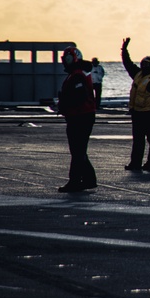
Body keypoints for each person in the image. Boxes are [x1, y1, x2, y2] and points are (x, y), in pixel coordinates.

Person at [57, 46, 98, 192]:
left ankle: (75, 181)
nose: (64, 62)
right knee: (79, 150)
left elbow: (78, 96)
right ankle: (89, 179)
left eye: (67, 58)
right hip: (80, 115)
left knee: (77, 150)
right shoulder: (77, 74)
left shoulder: (77, 75)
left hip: (80, 116)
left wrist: (65, 103)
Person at [120, 38, 150, 172]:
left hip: (149, 113)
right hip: (137, 112)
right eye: (144, 65)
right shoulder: (138, 74)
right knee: (138, 140)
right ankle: (135, 163)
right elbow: (128, 64)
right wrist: (124, 50)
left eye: (147, 65)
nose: (145, 67)